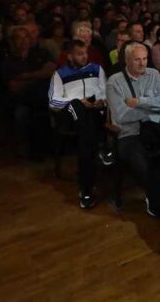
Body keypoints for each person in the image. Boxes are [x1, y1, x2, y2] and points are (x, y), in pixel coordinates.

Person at [106, 43, 160, 223]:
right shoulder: (114, 81)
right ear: (127, 61)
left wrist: (139, 101)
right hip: (128, 134)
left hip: (153, 130)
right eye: (137, 59)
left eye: (145, 59)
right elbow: (121, 116)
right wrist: (151, 109)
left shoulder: (153, 74)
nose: (142, 63)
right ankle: (159, 202)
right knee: (144, 165)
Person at [48, 40, 113, 209]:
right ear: (70, 55)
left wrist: (102, 101)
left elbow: (106, 92)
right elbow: (53, 102)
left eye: (85, 53)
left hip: (92, 114)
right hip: (69, 115)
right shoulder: (60, 74)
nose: (84, 56)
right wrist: (76, 101)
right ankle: (100, 146)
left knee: (86, 141)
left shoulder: (97, 69)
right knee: (78, 106)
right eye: (79, 53)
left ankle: (86, 190)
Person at [2, 26, 57, 159]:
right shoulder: (8, 61)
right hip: (22, 101)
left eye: (25, 37)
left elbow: (51, 71)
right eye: (19, 38)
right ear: (13, 41)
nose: (23, 41)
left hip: (42, 99)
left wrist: (24, 76)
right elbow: (13, 86)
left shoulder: (41, 53)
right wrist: (38, 78)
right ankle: (25, 149)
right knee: (21, 114)